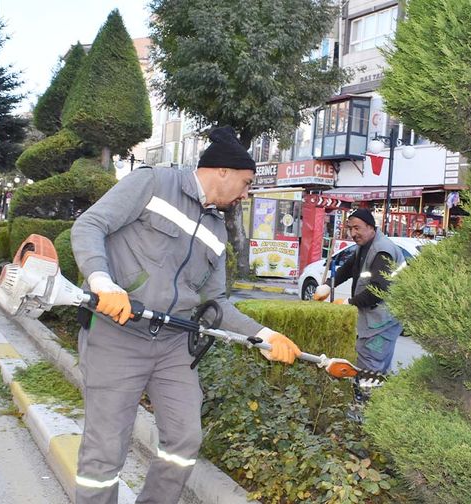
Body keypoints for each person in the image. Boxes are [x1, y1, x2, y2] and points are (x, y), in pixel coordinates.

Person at [70, 126, 301, 504]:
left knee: (184, 438)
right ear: (222, 171)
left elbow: (216, 304)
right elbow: (90, 224)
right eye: (245, 182)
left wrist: (265, 335)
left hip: (173, 343)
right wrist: (102, 282)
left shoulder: (217, 229)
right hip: (117, 335)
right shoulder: (153, 183)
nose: (246, 193)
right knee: (106, 447)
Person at [313, 208, 406, 375]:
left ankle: (366, 398)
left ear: (371, 227)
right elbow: (348, 268)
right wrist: (327, 285)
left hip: (382, 321)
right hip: (375, 320)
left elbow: (378, 290)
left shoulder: (382, 251)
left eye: (357, 228)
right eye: (350, 228)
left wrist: (349, 303)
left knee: (369, 368)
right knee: (377, 369)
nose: (353, 233)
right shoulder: (364, 246)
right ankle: (376, 397)